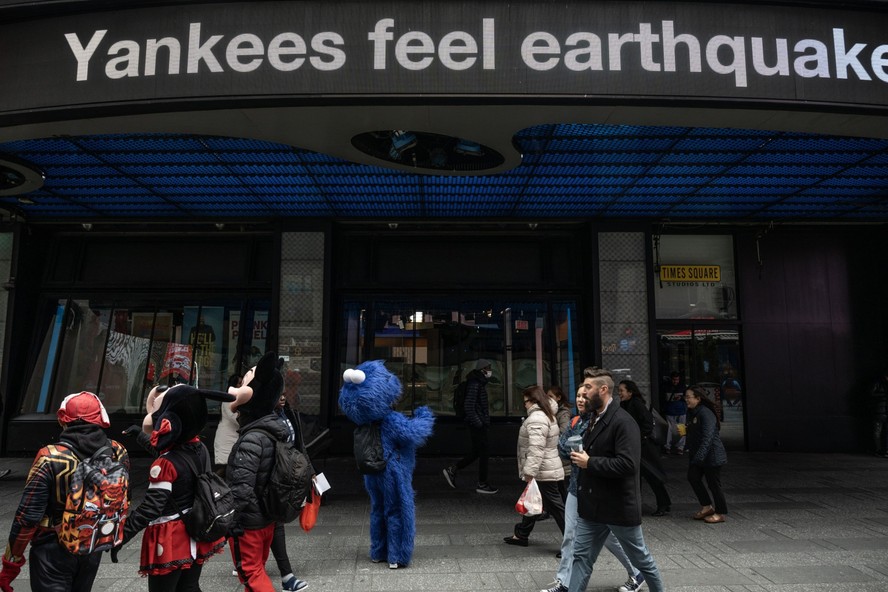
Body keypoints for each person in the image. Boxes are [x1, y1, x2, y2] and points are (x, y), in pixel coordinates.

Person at [0, 391, 129, 592]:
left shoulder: (50, 457)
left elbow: (27, 517)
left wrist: (11, 564)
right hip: (91, 544)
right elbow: (121, 500)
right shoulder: (117, 451)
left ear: (63, 420)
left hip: (52, 548)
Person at [120, 384, 234, 592]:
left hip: (171, 538)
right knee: (189, 587)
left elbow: (151, 507)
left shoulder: (166, 464)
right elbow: (171, 456)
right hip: (196, 528)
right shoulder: (199, 449)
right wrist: (139, 435)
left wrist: (123, 534)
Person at [568, 368, 665, 592]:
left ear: (603, 390)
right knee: (581, 558)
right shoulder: (593, 418)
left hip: (618, 507)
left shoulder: (623, 422)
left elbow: (628, 464)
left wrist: (589, 462)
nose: (583, 391)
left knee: (642, 560)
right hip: (592, 507)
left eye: (588, 387)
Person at [542, 383, 644, 592]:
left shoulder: (605, 422)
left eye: (585, 396)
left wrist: (585, 454)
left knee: (610, 537)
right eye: (578, 395)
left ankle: (638, 570)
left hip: (600, 490)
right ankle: (565, 582)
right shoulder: (575, 421)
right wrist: (573, 447)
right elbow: (562, 449)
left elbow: (613, 457)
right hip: (576, 488)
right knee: (570, 535)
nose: (580, 399)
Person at [227, 351, 301, 592]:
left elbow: (241, 486)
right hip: (267, 517)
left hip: (250, 521)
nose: (239, 385)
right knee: (257, 567)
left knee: (250, 571)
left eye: (247, 381)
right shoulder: (271, 431)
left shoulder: (251, 439)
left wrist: (233, 520)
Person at [504, 385, 565, 547]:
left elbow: (536, 448)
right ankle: (522, 534)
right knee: (533, 499)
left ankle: (573, 544)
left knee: (557, 508)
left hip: (543, 469)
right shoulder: (546, 414)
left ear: (534, 401)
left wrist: (529, 472)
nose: (524, 405)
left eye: (525, 401)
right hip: (546, 466)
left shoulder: (537, 418)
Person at [270, 390, 309, 591]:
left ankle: (287, 576)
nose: (283, 397)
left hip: (284, 475)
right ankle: (245, 564)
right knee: (266, 526)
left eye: (285, 393)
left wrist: (308, 470)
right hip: (269, 478)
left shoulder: (288, 414)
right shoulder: (263, 418)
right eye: (278, 394)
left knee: (276, 525)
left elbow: (298, 445)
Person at [442, 359, 498, 494]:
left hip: (477, 424)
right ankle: (482, 483)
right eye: (488, 368)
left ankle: (453, 469)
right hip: (477, 425)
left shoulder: (478, 383)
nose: (490, 371)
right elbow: (469, 406)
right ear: (482, 370)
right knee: (483, 453)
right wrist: (479, 423)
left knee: (477, 452)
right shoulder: (475, 384)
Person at [618, 380, 672, 517]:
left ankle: (663, 504)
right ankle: (639, 505)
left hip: (644, 448)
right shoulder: (625, 404)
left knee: (652, 476)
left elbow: (647, 424)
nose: (619, 393)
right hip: (637, 447)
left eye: (622, 391)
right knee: (641, 477)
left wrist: (638, 438)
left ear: (630, 392)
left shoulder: (636, 404)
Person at [684, 385, 728, 524]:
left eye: (688, 397)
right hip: (699, 455)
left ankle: (720, 513)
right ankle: (707, 507)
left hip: (711, 455)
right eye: (685, 397)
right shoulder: (693, 412)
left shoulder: (705, 413)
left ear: (698, 398)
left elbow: (708, 438)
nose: (686, 400)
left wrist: (699, 457)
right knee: (693, 478)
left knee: (714, 484)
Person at [214, 374, 243, 478]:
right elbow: (235, 418)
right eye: (239, 383)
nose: (241, 385)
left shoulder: (238, 399)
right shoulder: (228, 399)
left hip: (233, 438)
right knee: (224, 467)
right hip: (226, 438)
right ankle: (213, 487)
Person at [662, 371, 687, 454]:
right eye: (674, 380)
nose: (676, 381)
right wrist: (681, 397)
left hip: (671, 410)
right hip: (680, 410)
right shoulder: (682, 387)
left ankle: (668, 446)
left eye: (677, 380)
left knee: (670, 429)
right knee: (681, 428)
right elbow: (687, 397)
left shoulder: (666, 387)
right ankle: (680, 447)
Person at [870, 368, 888, 457]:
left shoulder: (879, 383)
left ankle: (881, 450)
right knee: (878, 431)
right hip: (880, 410)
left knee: (878, 431)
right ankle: (880, 450)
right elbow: (871, 394)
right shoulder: (879, 383)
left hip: (881, 410)